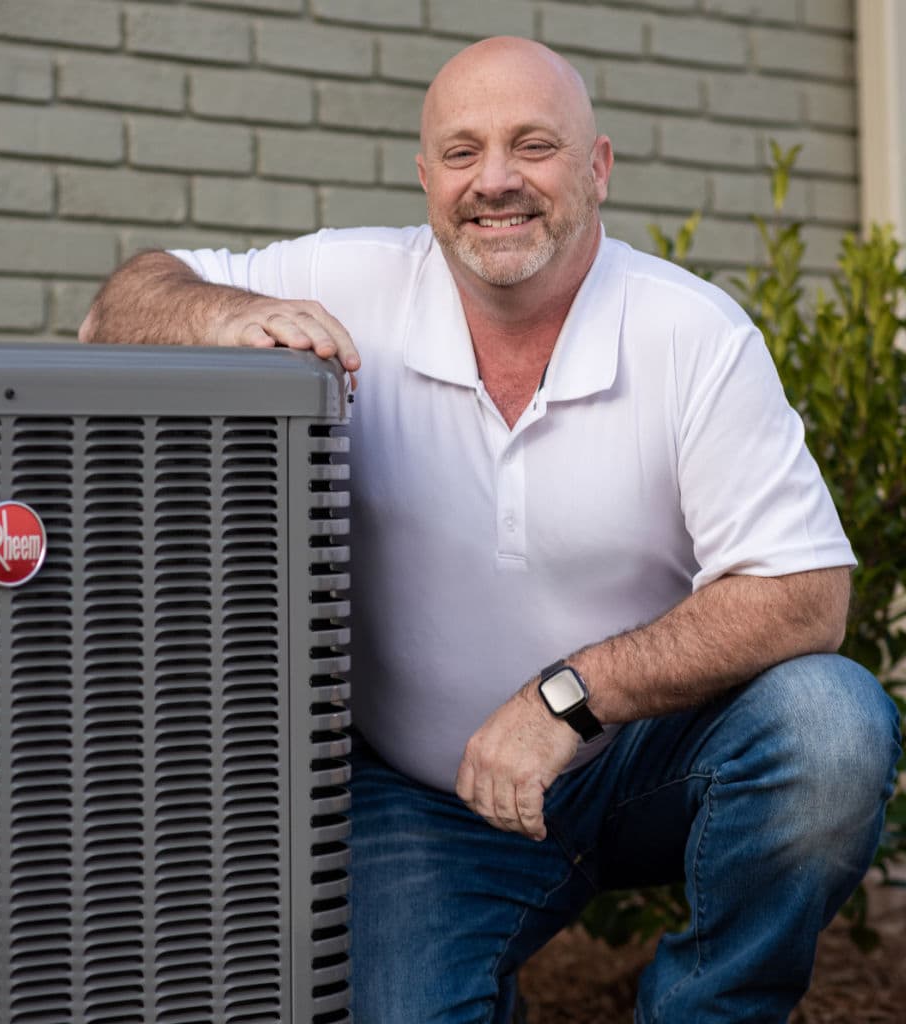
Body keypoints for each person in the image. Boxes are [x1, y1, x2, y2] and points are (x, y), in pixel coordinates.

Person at [80, 36, 900, 1023]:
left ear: (595, 167)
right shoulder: (352, 280)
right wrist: (228, 316)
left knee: (832, 726)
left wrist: (568, 700)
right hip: (432, 796)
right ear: (426, 179)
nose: (496, 181)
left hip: (648, 760)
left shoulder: (691, 334)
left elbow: (806, 594)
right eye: (462, 153)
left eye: (533, 145)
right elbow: (119, 307)